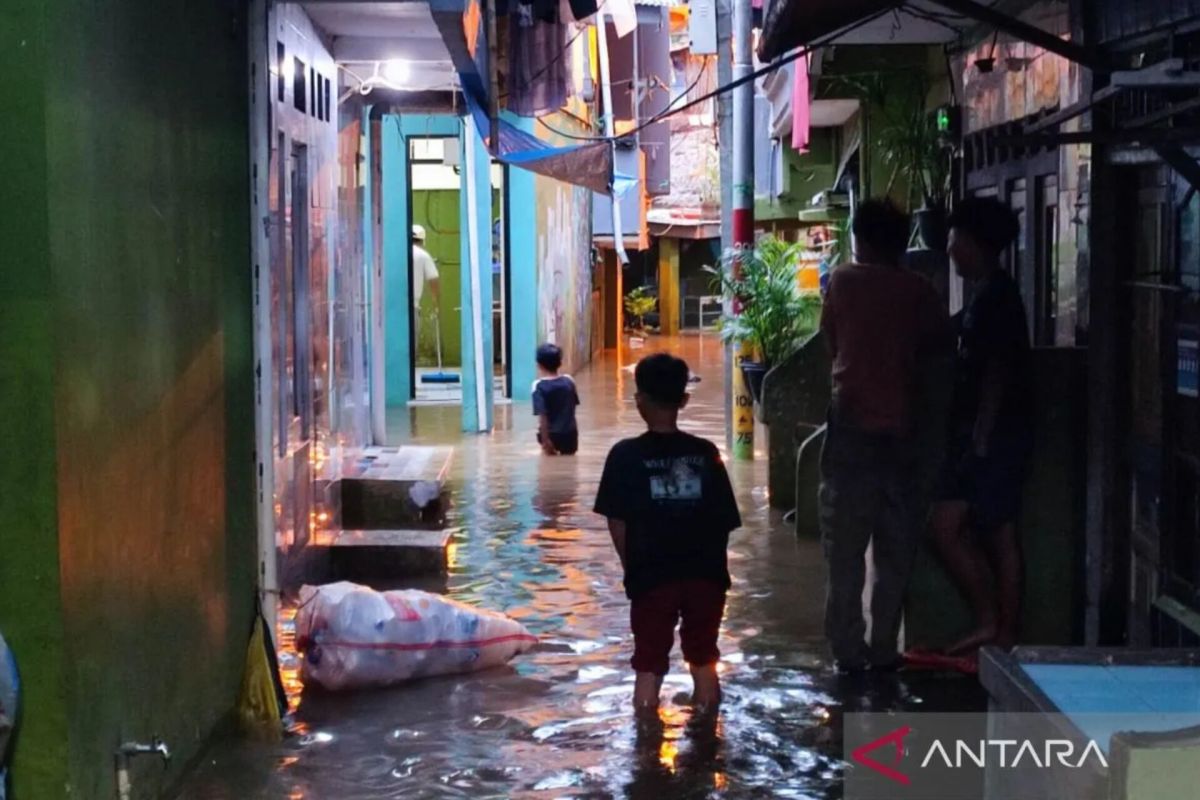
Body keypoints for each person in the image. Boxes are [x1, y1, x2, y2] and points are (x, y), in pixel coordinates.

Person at [818, 198, 950, 673]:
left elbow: (831, 343)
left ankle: (847, 652)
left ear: (863, 241)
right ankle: (885, 649)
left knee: (846, 552)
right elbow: (936, 355)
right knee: (895, 550)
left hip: (852, 429)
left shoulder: (843, 282)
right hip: (906, 434)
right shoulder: (920, 291)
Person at [593, 353, 741, 713]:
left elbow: (617, 523)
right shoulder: (706, 454)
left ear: (638, 400)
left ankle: (645, 750)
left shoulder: (624, 456)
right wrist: (713, 572)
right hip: (705, 574)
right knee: (704, 660)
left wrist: (635, 569)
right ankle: (708, 743)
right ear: (684, 400)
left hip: (652, 577)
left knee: (648, 664)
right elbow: (724, 522)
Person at [931, 197, 1032, 655]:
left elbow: (996, 371)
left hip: (992, 438)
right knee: (985, 530)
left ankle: (998, 628)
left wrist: (981, 439)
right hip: (988, 435)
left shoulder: (997, 298)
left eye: (954, 243)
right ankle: (996, 626)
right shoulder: (989, 293)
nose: (950, 252)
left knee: (979, 530)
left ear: (974, 243)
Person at [533, 343, 580, 456]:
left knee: (547, 468)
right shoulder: (569, 381)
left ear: (539, 365)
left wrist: (545, 442)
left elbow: (543, 416)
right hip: (570, 435)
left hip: (551, 435)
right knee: (570, 468)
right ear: (560, 363)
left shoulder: (539, 386)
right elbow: (572, 409)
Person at [412, 224, 440, 310]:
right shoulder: (423, 255)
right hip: (413, 306)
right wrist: (435, 302)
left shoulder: (398, 253)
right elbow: (433, 279)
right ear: (422, 241)